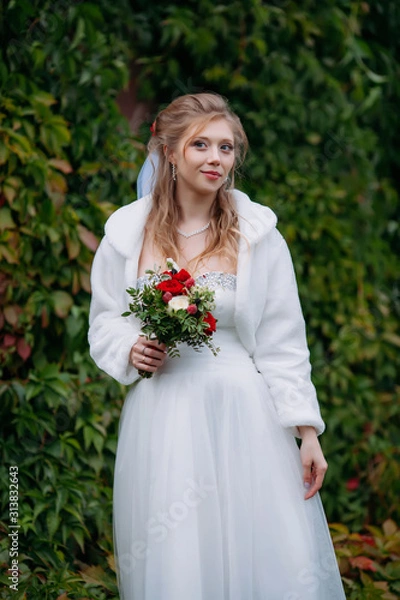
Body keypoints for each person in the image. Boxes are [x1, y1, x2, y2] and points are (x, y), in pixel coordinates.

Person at [88, 92, 346, 599]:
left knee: (262, 549)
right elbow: (105, 322)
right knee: (179, 554)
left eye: (226, 148)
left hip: (244, 415)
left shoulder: (258, 235)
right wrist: (130, 349)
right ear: (169, 151)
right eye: (201, 144)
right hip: (162, 414)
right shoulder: (127, 234)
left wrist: (306, 430)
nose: (215, 158)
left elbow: (283, 340)